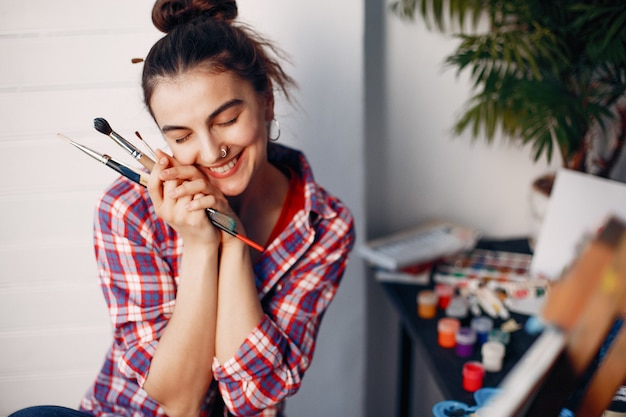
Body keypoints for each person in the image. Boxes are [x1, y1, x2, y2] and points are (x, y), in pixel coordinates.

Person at [9, 0, 355, 416]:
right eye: (181, 136)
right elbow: (180, 401)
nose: (212, 152)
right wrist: (201, 245)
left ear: (266, 102)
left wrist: (234, 242)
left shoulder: (325, 225)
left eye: (226, 119)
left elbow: (254, 398)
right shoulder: (127, 209)